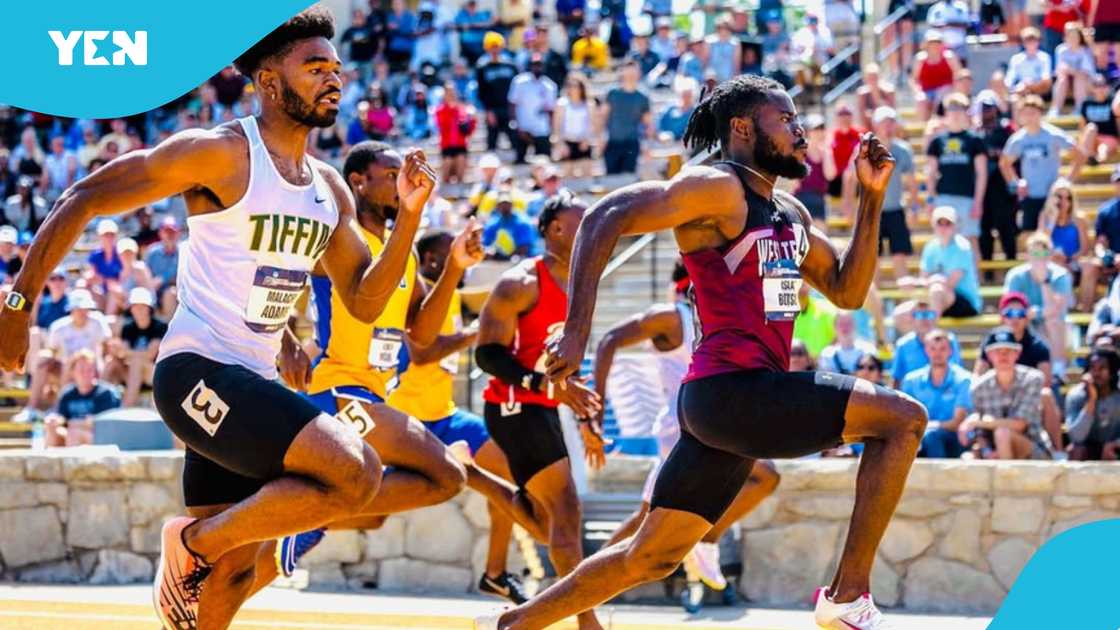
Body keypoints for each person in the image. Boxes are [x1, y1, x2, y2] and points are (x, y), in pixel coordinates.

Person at [0, 9, 451, 629]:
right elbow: (85, 196)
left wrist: (409, 218)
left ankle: (204, 555)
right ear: (268, 82)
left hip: (252, 380)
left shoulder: (329, 188)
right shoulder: (220, 153)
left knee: (235, 572)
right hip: (196, 371)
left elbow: (365, 302)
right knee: (356, 472)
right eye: (314, 67)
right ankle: (192, 542)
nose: (333, 78)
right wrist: (19, 304)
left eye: (336, 67)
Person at [477, 74, 926, 630]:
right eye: (785, 119)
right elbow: (605, 214)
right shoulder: (718, 188)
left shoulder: (790, 212)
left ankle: (513, 625)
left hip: (729, 406)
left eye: (797, 119)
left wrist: (871, 198)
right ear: (743, 127)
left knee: (650, 556)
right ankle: (847, 595)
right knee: (903, 420)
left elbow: (846, 290)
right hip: (734, 392)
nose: (800, 130)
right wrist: (577, 328)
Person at [592, 264, 780, 594]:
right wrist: (594, 410)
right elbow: (608, 341)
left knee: (645, 518)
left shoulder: (720, 317)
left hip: (703, 424)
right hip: (682, 427)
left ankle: (585, 587)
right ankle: (706, 538)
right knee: (764, 475)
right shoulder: (671, 316)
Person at [386, 230, 546, 602]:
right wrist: (475, 334)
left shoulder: (453, 297)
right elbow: (422, 353)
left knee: (507, 467)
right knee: (369, 502)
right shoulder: (416, 293)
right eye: (450, 253)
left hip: (445, 415)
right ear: (430, 260)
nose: (464, 259)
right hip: (406, 418)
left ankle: (495, 573)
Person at [475, 192, 607, 630]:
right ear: (555, 230)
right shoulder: (520, 282)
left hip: (546, 406)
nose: (593, 230)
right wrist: (543, 386)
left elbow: (565, 360)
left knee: (547, 526)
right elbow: (487, 356)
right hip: (513, 406)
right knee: (566, 512)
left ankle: (473, 476)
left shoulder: (580, 284)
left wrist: (586, 418)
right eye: (583, 222)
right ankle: (586, 621)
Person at [973, 291, 1064, 452]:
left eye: (1020, 313)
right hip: (998, 395)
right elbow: (978, 375)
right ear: (1002, 317)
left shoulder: (1038, 345)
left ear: (1027, 317)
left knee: (1046, 394)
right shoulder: (991, 341)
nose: (1014, 318)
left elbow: (1045, 381)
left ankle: (1057, 450)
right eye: (1009, 313)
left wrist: (1016, 387)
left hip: (1029, 395)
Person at [961, 328, 1051, 460]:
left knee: (1002, 433)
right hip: (994, 450)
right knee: (967, 458)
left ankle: (1005, 472)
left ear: (1017, 353)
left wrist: (978, 422)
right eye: (997, 351)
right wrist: (987, 451)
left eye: (1008, 350)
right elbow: (980, 434)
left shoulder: (1033, 379)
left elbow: (1020, 425)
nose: (1003, 355)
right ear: (989, 355)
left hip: (1033, 449)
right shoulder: (979, 387)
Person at [1000, 94, 1085, 234]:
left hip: (1052, 196)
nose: (1029, 117)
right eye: (1026, 113)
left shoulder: (1053, 135)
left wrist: (1068, 181)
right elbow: (1004, 164)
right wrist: (1016, 184)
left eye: (1033, 113)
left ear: (1040, 113)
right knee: (1029, 234)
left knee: (1053, 233)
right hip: (1030, 195)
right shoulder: (1018, 139)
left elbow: (1079, 155)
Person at [926, 93, 988, 265]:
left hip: (967, 198)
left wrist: (978, 202)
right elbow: (931, 172)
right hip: (943, 197)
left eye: (959, 108)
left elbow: (981, 173)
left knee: (971, 240)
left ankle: (974, 279)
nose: (955, 112)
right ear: (946, 112)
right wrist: (931, 198)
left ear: (966, 112)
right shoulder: (937, 141)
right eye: (951, 108)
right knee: (943, 241)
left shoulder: (975, 140)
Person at [1003, 232, 1073, 371]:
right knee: (1013, 323)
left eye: (1043, 254)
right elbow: (1009, 308)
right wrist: (1029, 314)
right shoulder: (1015, 276)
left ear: (1050, 255)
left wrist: (1044, 281)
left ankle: (1057, 371)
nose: (1039, 258)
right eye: (1035, 254)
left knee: (1052, 322)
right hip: (1025, 322)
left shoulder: (1061, 275)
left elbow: (1055, 310)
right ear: (1027, 255)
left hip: (1055, 327)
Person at [901, 329, 973, 458]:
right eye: (933, 348)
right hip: (920, 436)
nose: (937, 353)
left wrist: (929, 426)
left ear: (951, 351)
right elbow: (905, 417)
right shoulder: (911, 380)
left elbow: (957, 422)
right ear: (926, 350)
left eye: (942, 348)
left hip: (954, 438)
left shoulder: (964, 379)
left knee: (931, 436)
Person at [869, 107, 916, 280]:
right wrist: (849, 205)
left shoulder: (903, 150)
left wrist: (913, 208)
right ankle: (874, 298)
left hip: (896, 209)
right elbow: (850, 178)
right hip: (873, 211)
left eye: (891, 122)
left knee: (900, 256)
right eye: (884, 122)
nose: (888, 126)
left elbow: (911, 182)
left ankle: (904, 295)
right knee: (873, 258)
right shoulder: (866, 149)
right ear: (875, 124)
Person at [44, 349, 120, 448]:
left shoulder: (105, 393)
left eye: (90, 369)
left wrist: (71, 423)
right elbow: (62, 418)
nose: (86, 373)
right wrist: (54, 422)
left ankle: (72, 458)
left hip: (100, 439)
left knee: (74, 434)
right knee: (53, 431)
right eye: (81, 370)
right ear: (73, 372)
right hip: (73, 434)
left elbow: (98, 424)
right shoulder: (67, 394)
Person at [1039, 178, 1095, 310]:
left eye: (1068, 198)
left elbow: (1084, 249)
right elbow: (1041, 245)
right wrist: (1053, 218)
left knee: (1090, 266)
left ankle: (1085, 312)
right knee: (1059, 267)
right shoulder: (1045, 217)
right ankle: (1065, 309)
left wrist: (1070, 259)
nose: (1064, 201)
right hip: (1052, 262)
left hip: (1074, 262)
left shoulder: (1079, 219)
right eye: (1059, 197)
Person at [976, 94, 1019, 264]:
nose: (987, 112)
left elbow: (1014, 154)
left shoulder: (1006, 128)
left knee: (1006, 226)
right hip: (983, 187)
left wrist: (997, 155)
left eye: (990, 108)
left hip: (1003, 187)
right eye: (984, 108)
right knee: (984, 228)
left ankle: (1011, 262)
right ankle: (987, 267)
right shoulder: (976, 132)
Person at [918, 206, 983, 317]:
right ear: (933, 225)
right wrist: (927, 282)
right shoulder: (930, 247)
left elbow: (950, 284)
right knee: (902, 313)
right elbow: (923, 279)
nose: (943, 228)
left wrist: (928, 281)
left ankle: (930, 326)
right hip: (938, 299)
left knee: (936, 290)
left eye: (948, 223)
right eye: (940, 223)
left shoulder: (962, 247)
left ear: (955, 226)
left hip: (966, 302)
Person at [889, 298, 964, 385]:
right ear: (912, 318)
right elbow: (896, 379)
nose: (925, 319)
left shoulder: (949, 339)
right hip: (912, 392)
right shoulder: (903, 344)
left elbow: (957, 372)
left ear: (935, 317)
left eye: (929, 314)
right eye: (919, 315)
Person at [1067, 346, 1120, 460]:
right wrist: (1091, 399)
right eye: (1092, 367)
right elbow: (1076, 437)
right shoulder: (1076, 395)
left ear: (1112, 371)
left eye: (1102, 368)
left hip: (1115, 447)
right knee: (1075, 451)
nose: (1096, 373)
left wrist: (1115, 444)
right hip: (1088, 449)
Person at [600, 61, 652, 175]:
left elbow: (647, 124)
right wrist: (601, 138)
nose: (630, 76)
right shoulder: (612, 93)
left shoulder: (643, 97)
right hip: (612, 143)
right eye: (628, 73)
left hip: (632, 144)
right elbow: (602, 117)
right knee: (611, 179)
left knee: (629, 179)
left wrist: (647, 145)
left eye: (633, 73)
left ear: (638, 74)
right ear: (622, 73)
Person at [508, 54, 557, 165]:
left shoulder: (549, 85)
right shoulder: (520, 82)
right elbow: (512, 103)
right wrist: (515, 123)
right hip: (523, 126)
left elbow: (551, 110)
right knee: (520, 160)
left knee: (543, 160)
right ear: (529, 65)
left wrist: (552, 130)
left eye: (539, 64)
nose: (537, 67)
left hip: (541, 128)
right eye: (534, 64)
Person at [476, 32, 519, 152]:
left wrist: (514, 110)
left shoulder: (511, 65)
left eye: (496, 46)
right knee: (492, 143)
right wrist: (488, 111)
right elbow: (482, 92)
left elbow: (516, 88)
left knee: (515, 141)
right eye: (491, 46)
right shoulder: (483, 68)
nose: (494, 49)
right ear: (487, 48)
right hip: (493, 110)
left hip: (509, 108)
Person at [793, 114, 837, 228]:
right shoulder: (800, 152)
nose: (819, 132)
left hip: (819, 199)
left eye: (821, 128)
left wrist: (827, 152)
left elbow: (830, 175)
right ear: (808, 132)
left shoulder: (826, 151)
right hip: (802, 199)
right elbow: (794, 181)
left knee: (820, 235)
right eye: (815, 129)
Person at [911, 31, 962, 120]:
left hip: (947, 91)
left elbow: (959, 75)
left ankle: (937, 121)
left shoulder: (949, 57)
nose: (934, 45)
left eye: (937, 42)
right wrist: (918, 92)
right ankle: (923, 125)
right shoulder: (920, 59)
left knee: (941, 96)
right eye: (931, 43)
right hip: (926, 92)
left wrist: (955, 90)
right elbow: (914, 79)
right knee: (921, 100)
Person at [553, 73, 596, 176]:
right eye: (570, 85)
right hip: (567, 143)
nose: (573, 88)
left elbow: (592, 124)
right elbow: (557, 125)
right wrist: (561, 144)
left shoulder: (589, 104)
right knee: (567, 176)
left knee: (587, 175)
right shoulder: (562, 103)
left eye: (576, 86)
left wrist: (587, 140)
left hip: (584, 143)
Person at [1051, 22, 1097, 115]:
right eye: (1070, 36)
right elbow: (1059, 70)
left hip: (1087, 82)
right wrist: (1072, 71)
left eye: (1075, 36)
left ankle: (1079, 108)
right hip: (1066, 82)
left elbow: (1086, 71)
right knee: (1062, 79)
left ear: (1080, 37)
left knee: (1079, 78)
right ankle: (1055, 109)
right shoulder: (1060, 50)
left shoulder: (1085, 50)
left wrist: (1072, 71)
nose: (1072, 39)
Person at [434, 83, 476, 185]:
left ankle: (460, 186)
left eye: (453, 92)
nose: (451, 95)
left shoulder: (463, 109)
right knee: (447, 162)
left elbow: (469, 129)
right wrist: (452, 109)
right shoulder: (440, 110)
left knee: (461, 159)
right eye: (448, 93)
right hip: (447, 144)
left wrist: (472, 119)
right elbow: (442, 124)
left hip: (460, 144)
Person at [818, 311, 878, 375]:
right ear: (834, 327)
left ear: (855, 326)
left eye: (848, 323)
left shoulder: (868, 350)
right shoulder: (827, 354)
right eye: (841, 324)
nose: (845, 327)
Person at [1078, 74, 1120, 164]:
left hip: (1110, 138)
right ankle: (1089, 158)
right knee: (1091, 127)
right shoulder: (1087, 103)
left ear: (1107, 86)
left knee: (1102, 149)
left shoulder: (1113, 102)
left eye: (1103, 85)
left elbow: (1118, 123)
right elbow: (1082, 126)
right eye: (1097, 85)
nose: (1100, 88)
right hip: (1093, 139)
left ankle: (1097, 161)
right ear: (1092, 88)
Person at [483, 192, 535, 260]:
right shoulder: (492, 223)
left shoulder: (522, 222)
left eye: (507, 204)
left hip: (519, 259)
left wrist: (507, 257)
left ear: (512, 205)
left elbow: (524, 247)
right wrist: (490, 252)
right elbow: (485, 243)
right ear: (497, 207)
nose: (504, 207)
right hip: (497, 260)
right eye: (501, 204)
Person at [1004, 29, 1054, 96]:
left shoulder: (1045, 57)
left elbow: (1046, 77)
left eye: (1033, 40)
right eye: (1028, 41)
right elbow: (1010, 78)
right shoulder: (1016, 59)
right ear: (1023, 43)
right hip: (1020, 89)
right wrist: (1010, 87)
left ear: (1038, 42)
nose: (1031, 43)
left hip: (1039, 89)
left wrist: (1032, 84)